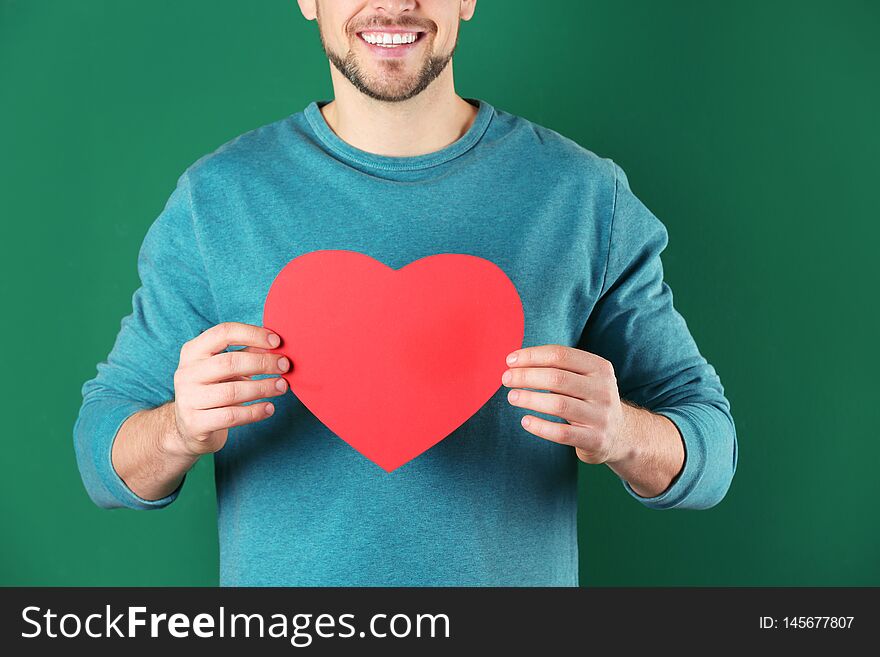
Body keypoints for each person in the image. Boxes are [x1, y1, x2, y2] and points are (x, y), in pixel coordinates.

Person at [73, 0, 737, 586]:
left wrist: (622, 432)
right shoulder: (218, 201)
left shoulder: (584, 197)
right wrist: (180, 428)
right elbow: (104, 454)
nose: (392, 3)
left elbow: (710, 448)